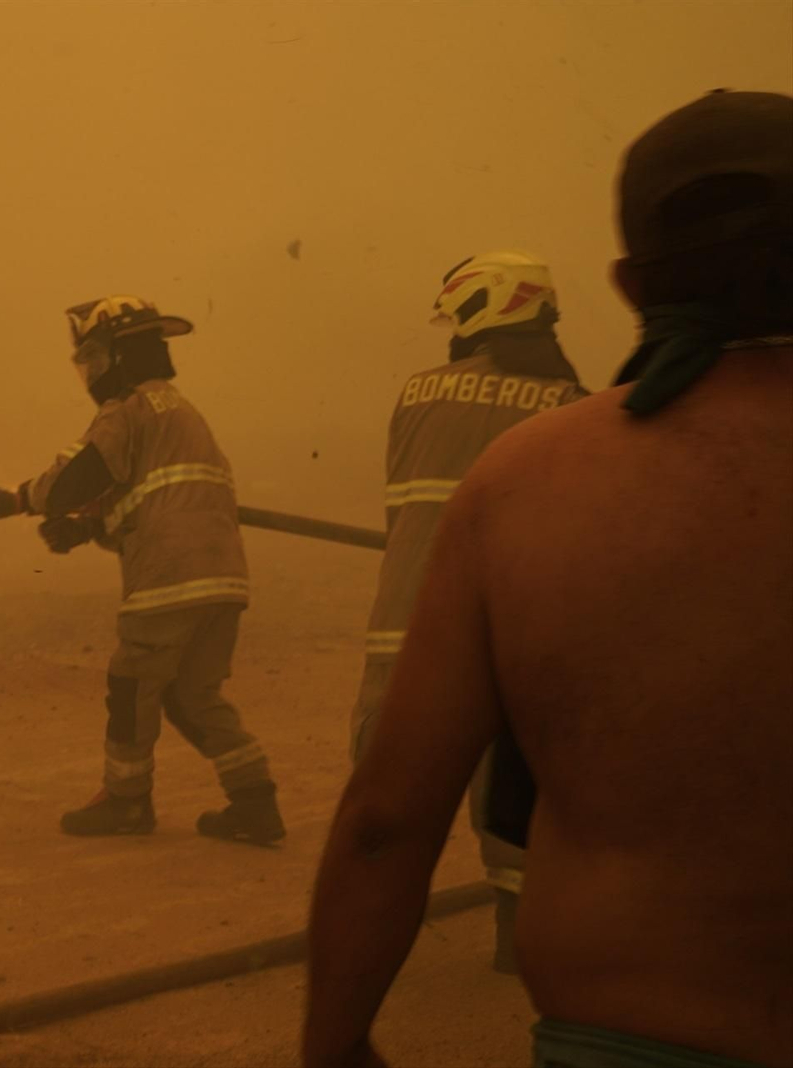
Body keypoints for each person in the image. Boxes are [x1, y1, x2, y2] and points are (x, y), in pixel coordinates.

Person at [303, 89, 793, 1068]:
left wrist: (334, 1043)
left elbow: (384, 822)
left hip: (625, 1035)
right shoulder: (543, 420)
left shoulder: (532, 479)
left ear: (628, 281)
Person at [350, 250, 588, 972]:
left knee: (386, 798)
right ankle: (516, 948)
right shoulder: (572, 403)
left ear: (478, 314)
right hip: (515, 638)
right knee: (519, 800)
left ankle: (365, 950)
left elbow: (406, 506)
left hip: (410, 629)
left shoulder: (420, 392)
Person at [0, 295, 283, 843]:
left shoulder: (127, 410)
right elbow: (147, 502)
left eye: (96, 359)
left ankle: (126, 803)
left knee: (130, 687)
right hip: (221, 578)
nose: (92, 373)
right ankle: (255, 802)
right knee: (192, 695)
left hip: (168, 580)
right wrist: (84, 529)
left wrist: (25, 497)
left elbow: (79, 477)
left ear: (121, 356)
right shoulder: (180, 413)